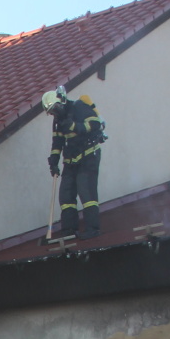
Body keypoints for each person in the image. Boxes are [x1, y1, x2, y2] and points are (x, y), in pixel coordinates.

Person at [44, 87, 107, 239]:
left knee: (86, 190)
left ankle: (92, 229)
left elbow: (94, 124)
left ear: (61, 101)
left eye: (55, 109)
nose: (54, 114)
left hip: (88, 155)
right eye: (51, 112)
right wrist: (53, 161)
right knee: (66, 196)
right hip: (71, 160)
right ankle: (69, 231)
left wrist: (74, 126)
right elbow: (57, 142)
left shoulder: (79, 107)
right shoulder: (58, 121)